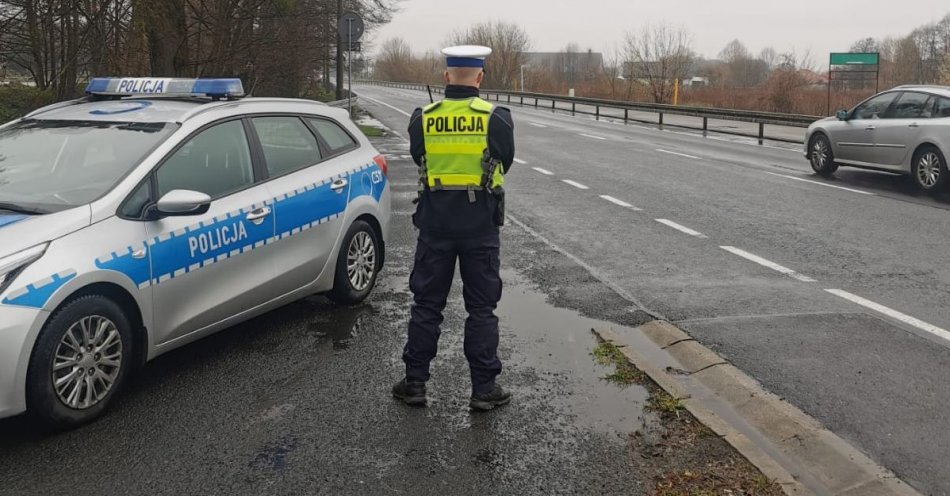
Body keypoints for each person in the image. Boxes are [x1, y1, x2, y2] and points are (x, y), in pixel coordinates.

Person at [392, 45, 516, 411]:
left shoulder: (422, 118)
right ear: (480, 78)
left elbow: (419, 157)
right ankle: (483, 389)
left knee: (426, 305)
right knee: (481, 308)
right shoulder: (497, 118)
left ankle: (414, 382)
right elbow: (504, 162)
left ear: (446, 77)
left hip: (435, 225)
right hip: (480, 228)